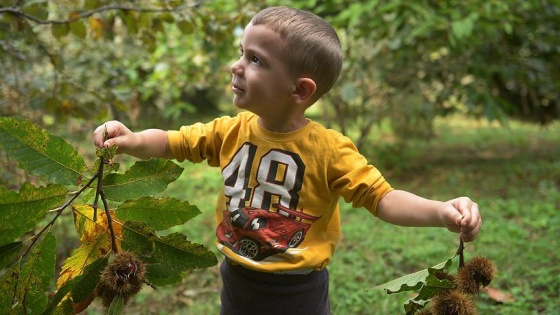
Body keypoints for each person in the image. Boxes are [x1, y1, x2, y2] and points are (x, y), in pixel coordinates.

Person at [93, 6, 482, 315]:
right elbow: (172, 142)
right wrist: (130, 140)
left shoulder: (329, 150)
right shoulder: (230, 130)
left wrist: (440, 211)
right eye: (241, 54)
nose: (237, 66)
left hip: (299, 291)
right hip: (237, 276)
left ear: (300, 89)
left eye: (256, 60)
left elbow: (382, 198)